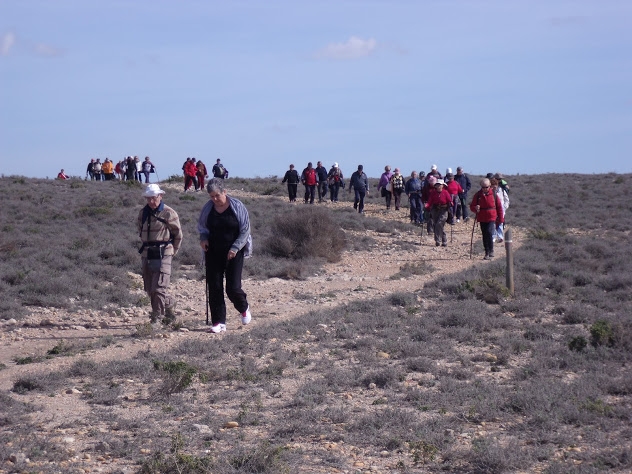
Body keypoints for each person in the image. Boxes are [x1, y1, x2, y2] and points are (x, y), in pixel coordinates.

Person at [198, 178, 252, 333]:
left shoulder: (237, 206)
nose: (215, 199)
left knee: (233, 288)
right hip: (213, 251)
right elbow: (202, 228)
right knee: (214, 286)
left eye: (217, 195)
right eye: (212, 196)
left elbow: (245, 230)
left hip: (235, 251)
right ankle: (218, 322)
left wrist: (235, 247)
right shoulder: (208, 209)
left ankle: (243, 307)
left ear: (224, 192)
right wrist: (203, 239)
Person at [137, 184, 183, 324]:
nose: (151, 201)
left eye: (154, 198)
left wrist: (171, 251)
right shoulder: (142, 213)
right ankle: (169, 304)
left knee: (158, 287)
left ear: (160, 196)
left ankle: (157, 319)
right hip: (147, 253)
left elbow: (178, 235)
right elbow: (140, 231)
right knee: (150, 288)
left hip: (164, 253)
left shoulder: (169, 213)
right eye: (148, 198)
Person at [470, 178, 504, 260]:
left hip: (491, 217)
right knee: (485, 234)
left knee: (489, 232)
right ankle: (487, 252)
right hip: (482, 217)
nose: (485, 189)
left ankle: (491, 250)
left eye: (487, 187)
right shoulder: (478, 195)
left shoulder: (494, 195)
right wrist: (475, 208)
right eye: (483, 187)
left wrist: (501, 218)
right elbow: (472, 207)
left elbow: (499, 207)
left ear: (490, 186)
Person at [425, 179, 452, 247]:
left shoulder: (445, 192)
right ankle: (444, 241)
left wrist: (451, 204)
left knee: (439, 223)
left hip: (444, 210)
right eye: (437, 185)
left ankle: (438, 240)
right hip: (435, 210)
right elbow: (430, 201)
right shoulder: (433, 193)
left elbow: (450, 201)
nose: (438, 186)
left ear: (442, 186)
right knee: (438, 225)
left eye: (440, 185)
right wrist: (427, 205)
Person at [490, 177, 510, 243]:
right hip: (492, 209)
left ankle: (500, 236)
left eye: (495, 185)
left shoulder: (502, 191)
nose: (494, 187)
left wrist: (504, 207)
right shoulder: (489, 192)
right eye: (492, 185)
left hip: (501, 209)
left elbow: (506, 200)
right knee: (493, 223)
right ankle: (493, 236)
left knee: (500, 222)